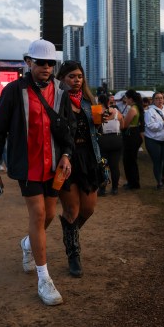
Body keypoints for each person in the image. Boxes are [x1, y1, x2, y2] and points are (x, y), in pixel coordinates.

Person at [0, 39, 74, 306]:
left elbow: (68, 127)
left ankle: (27, 244)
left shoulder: (61, 90)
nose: (47, 68)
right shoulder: (14, 90)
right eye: (41, 62)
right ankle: (44, 279)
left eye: (51, 63)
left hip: (53, 166)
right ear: (28, 62)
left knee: (48, 215)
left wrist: (67, 154)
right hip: (27, 165)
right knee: (38, 215)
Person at [55, 60, 103, 277]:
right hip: (67, 159)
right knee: (72, 210)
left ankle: (69, 233)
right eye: (71, 76)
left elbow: (94, 131)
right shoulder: (56, 101)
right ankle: (73, 254)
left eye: (79, 77)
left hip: (89, 158)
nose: (76, 80)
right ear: (62, 79)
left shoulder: (87, 101)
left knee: (89, 209)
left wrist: (102, 121)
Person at [144, 92, 164, 190]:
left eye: (161, 98)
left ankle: (163, 177)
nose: (160, 100)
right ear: (153, 100)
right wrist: (163, 122)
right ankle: (159, 182)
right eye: (157, 98)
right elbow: (151, 126)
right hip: (153, 139)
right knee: (157, 161)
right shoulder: (149, 111)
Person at [97, 93, 123, 195]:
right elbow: (123, 125)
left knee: (103, 165)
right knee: (115, 166)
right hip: (116, 139)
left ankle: (102, 189)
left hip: (103, 139)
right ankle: (115, 188)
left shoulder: (97, 111)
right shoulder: (116, 111)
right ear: (108, 101)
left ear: (99, 101)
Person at [120, 90, 145, 190]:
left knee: (128, 160)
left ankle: (133, 183)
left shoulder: (132, 109)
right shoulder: (137, 108)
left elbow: (124, 125)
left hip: (131, 135)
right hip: (135, 134)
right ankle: (133, 181)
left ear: (130, 98)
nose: (125, 100)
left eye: (126, 98)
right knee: (132, 159)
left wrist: (120, 118)